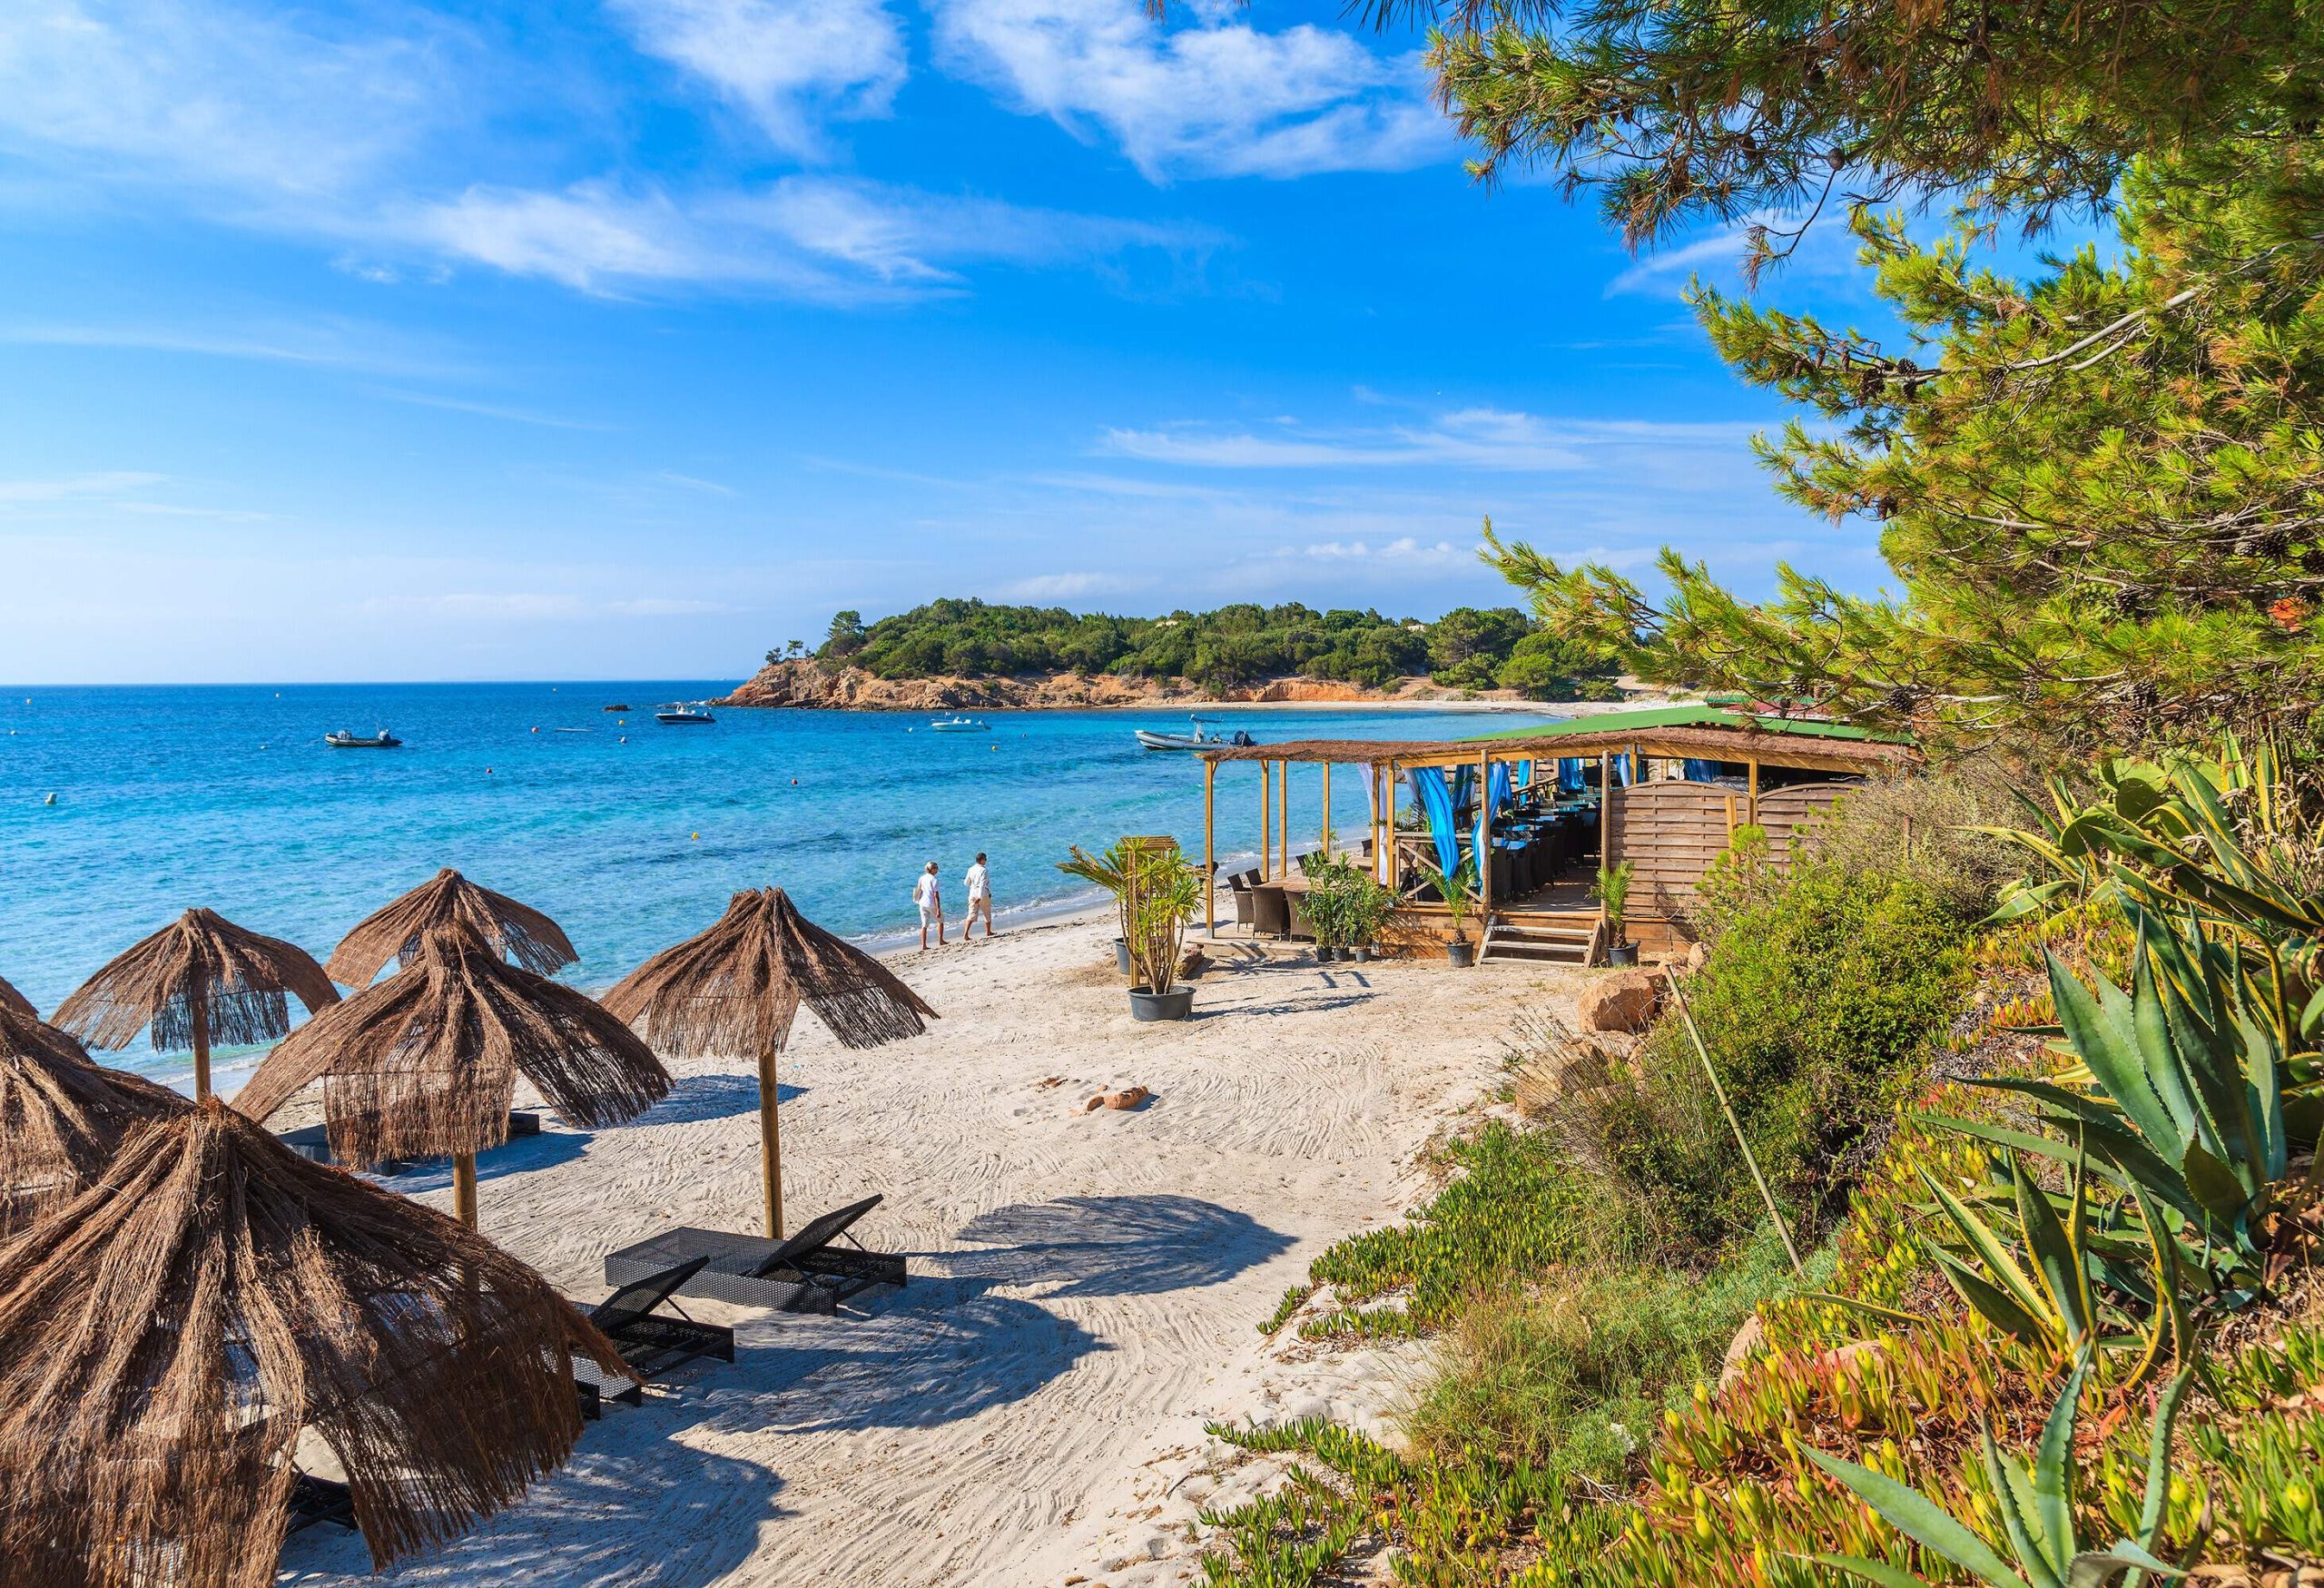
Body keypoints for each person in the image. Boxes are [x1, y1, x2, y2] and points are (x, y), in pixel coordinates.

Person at [914, 861, 944, 949]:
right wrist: (938, 909)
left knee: (924, 924)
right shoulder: (934, 880)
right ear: (932, 869)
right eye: (936, 867)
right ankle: (941, 940)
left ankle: (923, 945)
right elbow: (936, 895)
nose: (937, 869)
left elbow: (919, 889)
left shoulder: (921, 878)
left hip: (922, 903)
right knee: (940, 921)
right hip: (931, 903)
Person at [964, 853, 993, 939]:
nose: (986, 861)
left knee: (971, 914)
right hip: (982, 893)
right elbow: (983, 884)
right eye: (985, 859)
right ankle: (988, 931)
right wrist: (979, 897)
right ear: (982, 860)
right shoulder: (984, 870)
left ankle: (965, 934)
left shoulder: (971, 869)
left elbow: (966, 882)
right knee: (987, 912)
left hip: (972, 892)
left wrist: (972, 886)